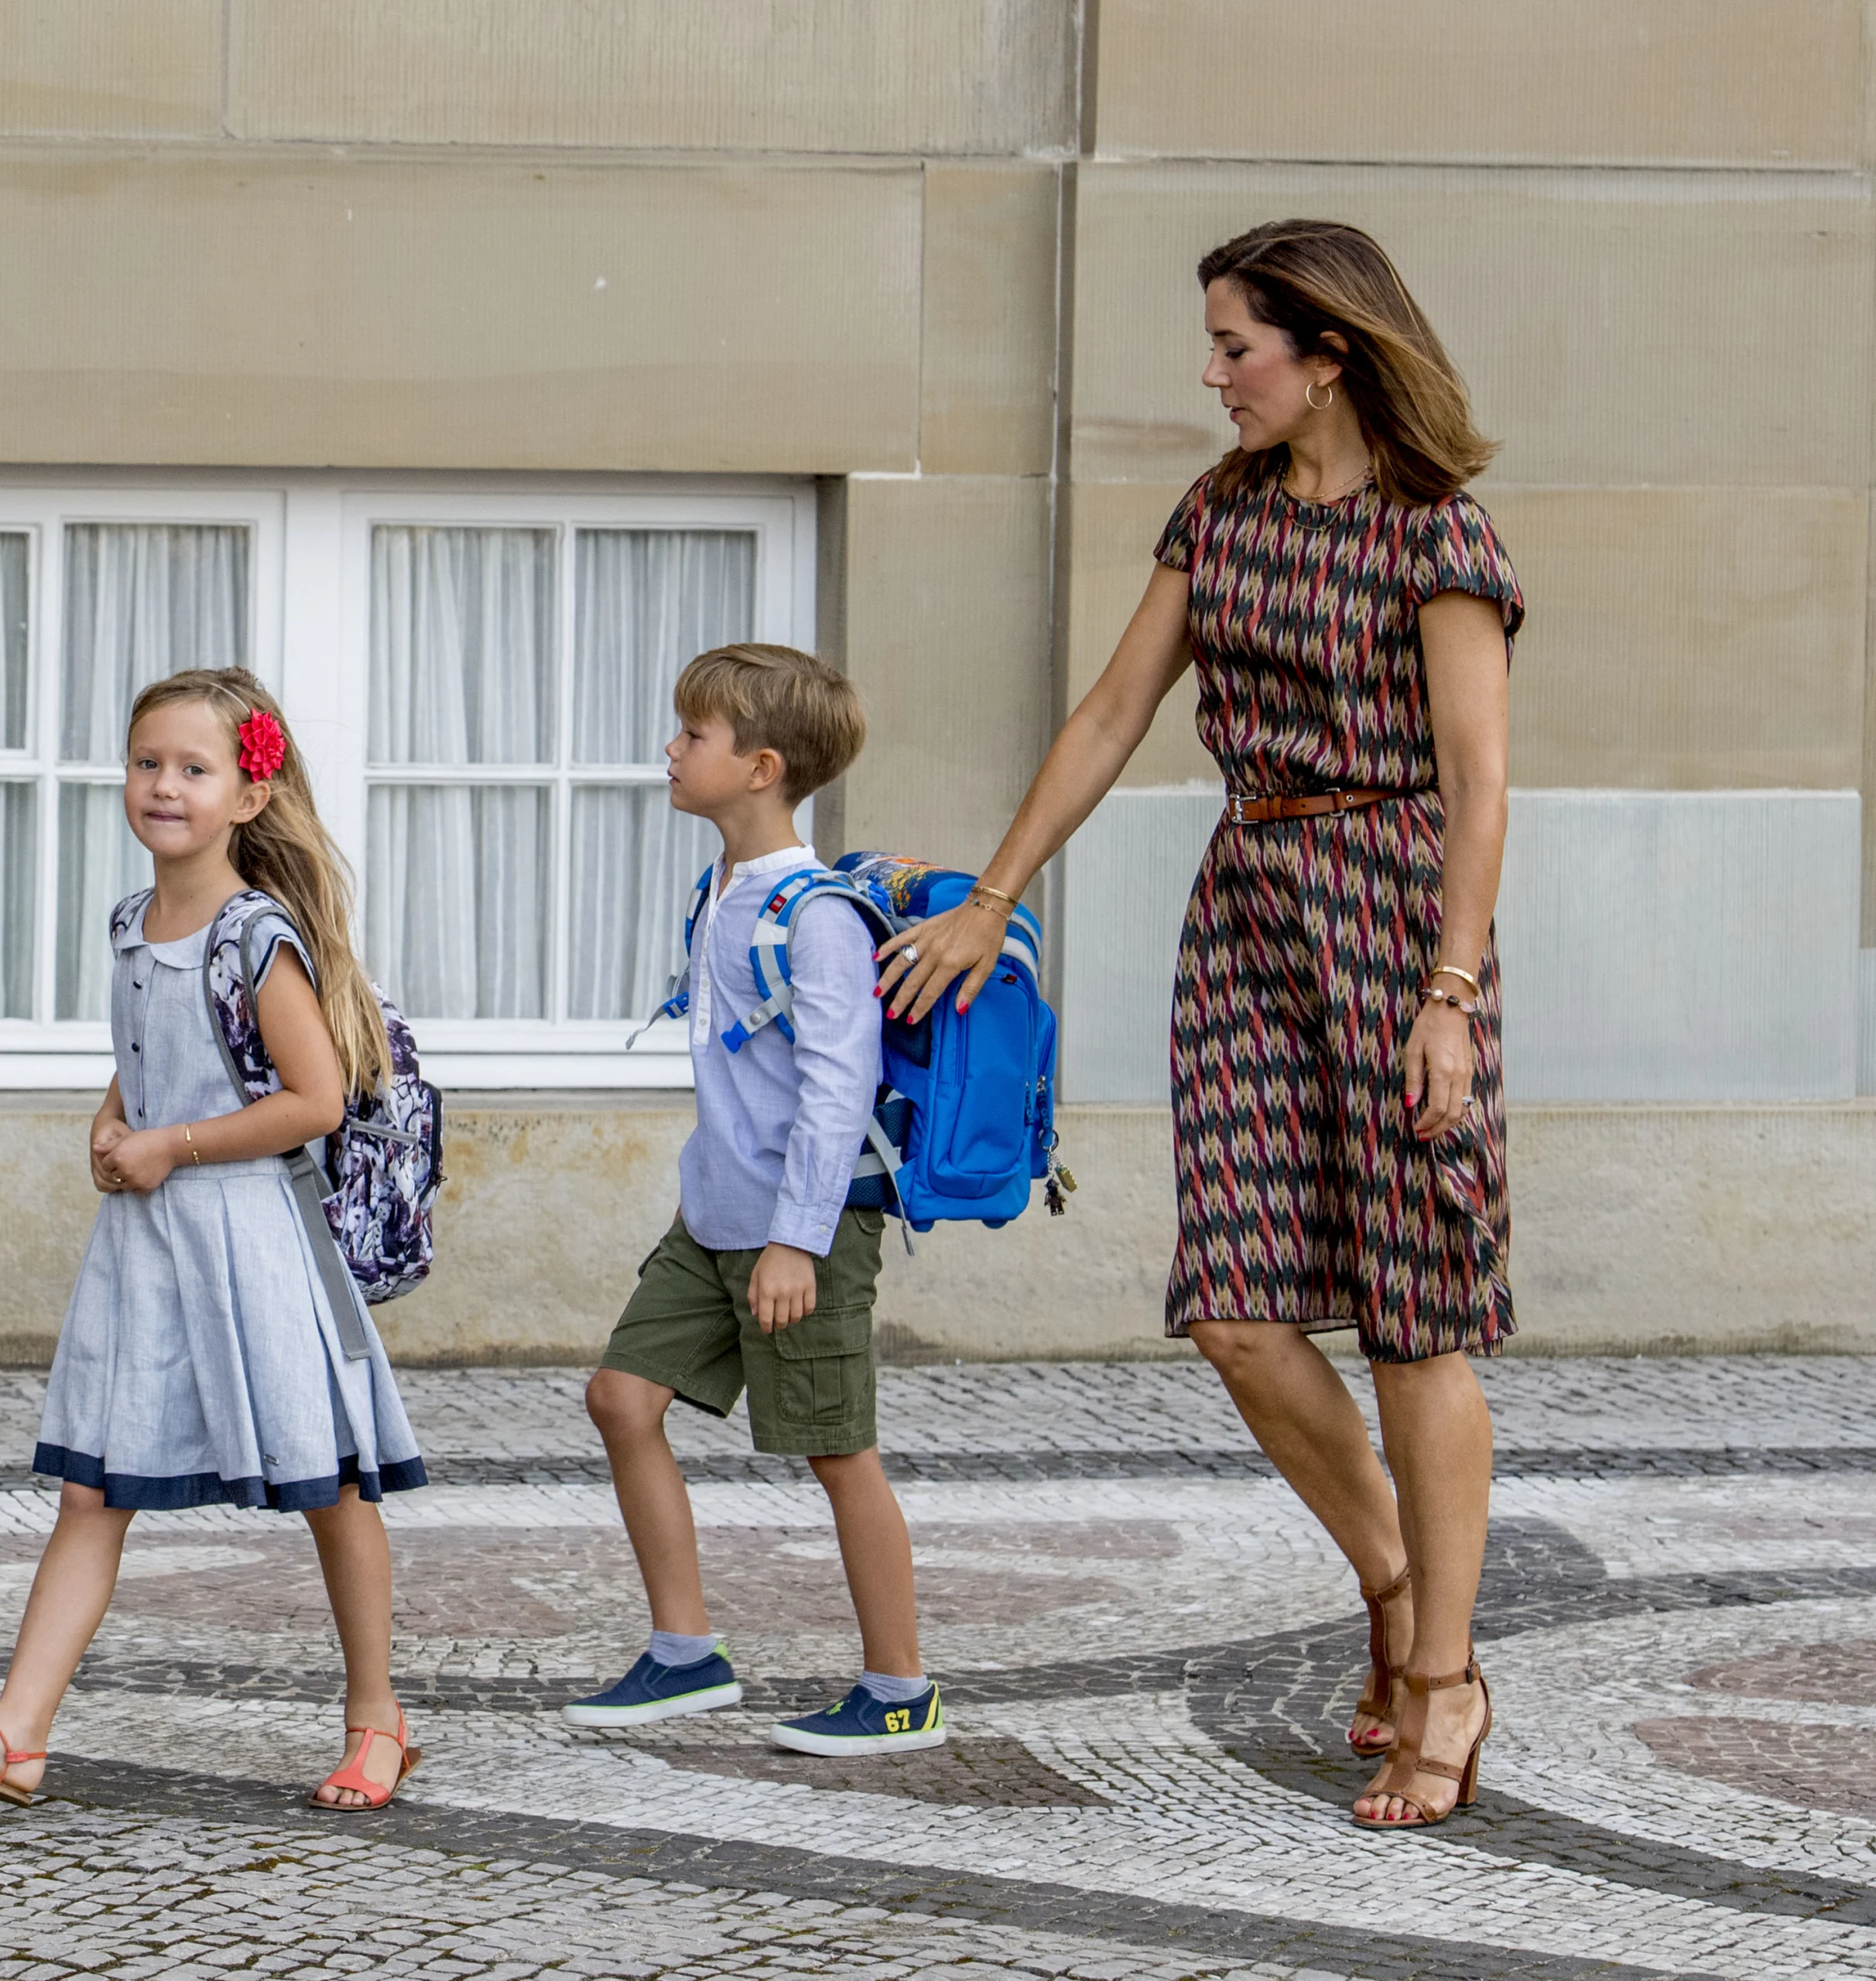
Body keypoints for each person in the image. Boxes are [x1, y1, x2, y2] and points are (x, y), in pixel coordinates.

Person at [885, 220, 1515, 1829]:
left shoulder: (1439, 537)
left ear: (1331, 357)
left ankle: (1445, 1673)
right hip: (1246, 909)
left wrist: (1449, 991)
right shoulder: (1217, 514)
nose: (1214, 372)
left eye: (1237, 345)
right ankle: (1394, 1579)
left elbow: (1480, 782)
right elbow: (1111, 712)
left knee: (1413, 1310)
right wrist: (992, 897)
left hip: (1391, 911)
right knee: (1234, 1302)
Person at [0, 669, 428, 1812]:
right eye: (147, 764)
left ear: (249, 794)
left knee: (332, 1488)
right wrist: (112, 1111)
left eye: (194, 768)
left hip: (255, 1244)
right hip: (146, 1246)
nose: (163, 786)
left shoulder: (255, 936)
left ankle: (378, 1718)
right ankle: (16, 1731)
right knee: (92, 1491)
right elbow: (158, 1047)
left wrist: (169, 1142)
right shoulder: (133, 919)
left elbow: (314, 1101)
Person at [573, 644, 943, 1758]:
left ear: (762, 766)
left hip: (803, 1229)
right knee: (621, 1399)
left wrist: (798, 1240)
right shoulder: (721, 889)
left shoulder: (813, 912)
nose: (672, 750)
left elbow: (838, 1086)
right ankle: (686, 1656)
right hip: (713, 1216)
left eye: (694, 735)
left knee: (838, 1451)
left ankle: (900, 1688)